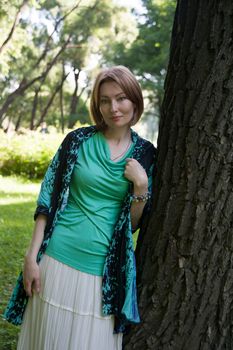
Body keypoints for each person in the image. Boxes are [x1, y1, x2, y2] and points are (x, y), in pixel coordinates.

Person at [3, 65, 156, 350]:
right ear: (97, 105)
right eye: (104, 100)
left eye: (121, 98)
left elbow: (132, 225)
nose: (114, 108)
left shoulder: (146, 154)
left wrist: (141, 187)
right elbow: (47, 199)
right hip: (57, 259)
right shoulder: (78, 141)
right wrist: (31, 257)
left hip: (104, 272)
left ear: (135, 99)